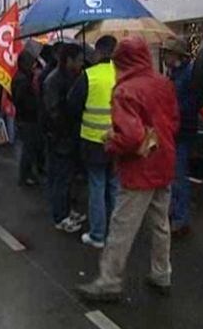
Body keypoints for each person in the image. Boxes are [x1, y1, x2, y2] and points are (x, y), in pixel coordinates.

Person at [76, 37, 179, 301]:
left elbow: (131, 137)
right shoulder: (163, 83)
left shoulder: (125, 90)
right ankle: (161, 273)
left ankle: (109, 281)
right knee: (160, 223)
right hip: (164, 161)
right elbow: (174, 122)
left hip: (139, 169)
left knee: (122, 226)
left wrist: (112, 140)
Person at [67, 35, 119, 249]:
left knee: (96, 187)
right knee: (115, 187)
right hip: (117, 140)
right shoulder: (122, 74)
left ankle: (98, 234)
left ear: (98, 52)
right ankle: (117, 234)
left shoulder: (88, 76)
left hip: (93, 141)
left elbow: (72, 105)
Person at [162, 38, 203, 236]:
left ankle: (181, 218)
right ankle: (176, 212)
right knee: (172, 174)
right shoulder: (175, 74)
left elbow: (195, 102)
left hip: (181, 131)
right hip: (174, 130)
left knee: (179, 176)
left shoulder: (187, 75)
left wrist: (173, 110)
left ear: (177, 55)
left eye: (168, 53)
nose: (165, 57)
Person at [43, 42, 86, 233]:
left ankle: (67, 210)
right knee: (60, 178)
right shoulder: (54, 80)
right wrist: (67, 116)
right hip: (60, 137)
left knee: (68, 178)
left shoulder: (73, 77)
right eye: (78, 61)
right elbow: (53, 112)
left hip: (71, 135)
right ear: (68, 60)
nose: (81, 64)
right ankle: (60, 216)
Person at [12, 50, 42, 186]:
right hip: (27, 119)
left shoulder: (20, 77)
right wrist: (35, 103)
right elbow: (22, 99)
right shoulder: (22, 79)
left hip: (24, 118)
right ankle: (24, 176)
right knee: (28, 149)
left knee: (28, 148)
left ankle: (27, 173)